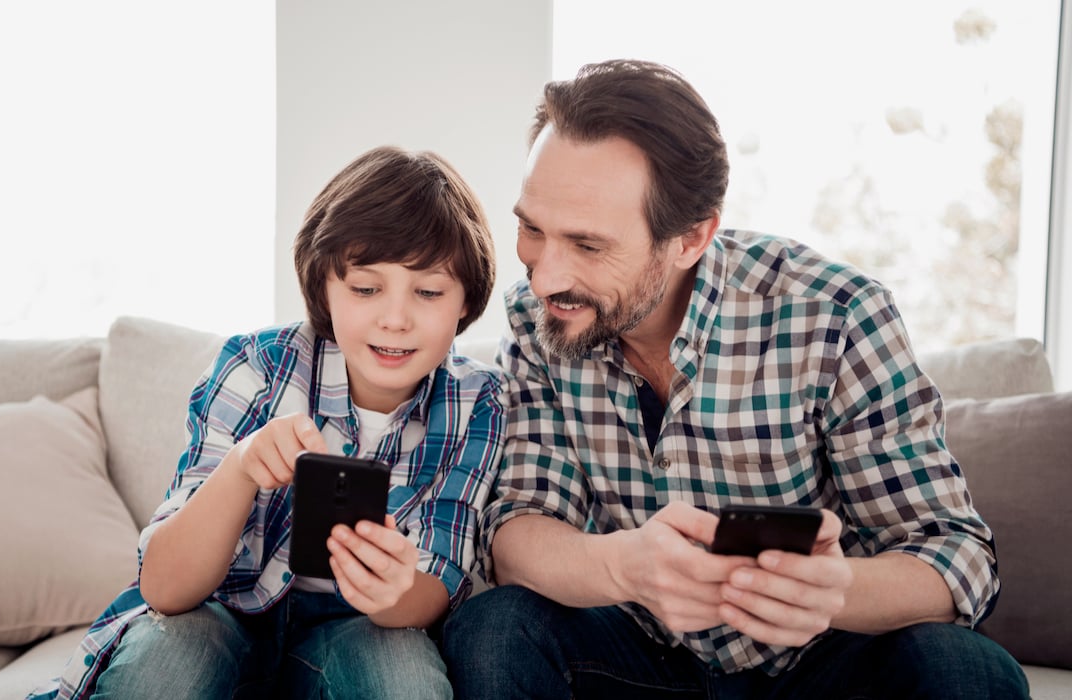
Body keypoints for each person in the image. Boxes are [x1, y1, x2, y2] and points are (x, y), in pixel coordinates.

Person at [441, 59, 1029, 699]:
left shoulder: (834, 316)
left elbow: (954, 554)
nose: (546, 275)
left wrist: (835, 593)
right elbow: (520, 525)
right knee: (493, 629)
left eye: (587, 246)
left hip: (819, 666)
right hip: (641, 660)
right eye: (532, 228)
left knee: (968, 672)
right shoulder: (538, 320)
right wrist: (621, 567)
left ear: (691, 238)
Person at [29, 145, 505, 700]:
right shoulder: (256, 366)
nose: (395, 318)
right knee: (165, 665)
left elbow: (436, 586)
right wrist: (240, 469)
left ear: (465, 302)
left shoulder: (478, 401)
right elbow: (164, 587)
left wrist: (396, 590)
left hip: (360, 631)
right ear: (324, 287)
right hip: (219, 613)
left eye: (427, 292)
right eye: (365, 288)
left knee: (400, 677)